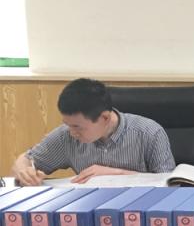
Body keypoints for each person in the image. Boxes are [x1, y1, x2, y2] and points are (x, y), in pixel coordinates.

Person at [11, 78, 176, 185]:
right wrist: (24, 172)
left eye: (78, 127)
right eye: (67, 124)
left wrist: (117, 174)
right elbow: (26, 160)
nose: (72, 132)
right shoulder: (65, 136)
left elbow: (170, 184)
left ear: (105, 118)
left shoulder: (149, 132)